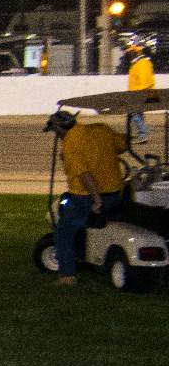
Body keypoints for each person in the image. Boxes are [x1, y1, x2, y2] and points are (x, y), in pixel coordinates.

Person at [45, 111, 127, 285]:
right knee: (68, 205)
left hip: (85, 198)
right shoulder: (101, 130)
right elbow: (122, 145)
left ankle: (67, 275)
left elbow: (84, 175)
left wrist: (96, 200)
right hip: (114, 193)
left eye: (54, 130)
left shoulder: (70, 144)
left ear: (59, 128)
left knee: (63, 230)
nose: (56, 135)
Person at [125, 43, 155, 144]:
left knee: (134, 113)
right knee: (138, 113)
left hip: (141, 92)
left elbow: (144, 81)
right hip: (140, 92)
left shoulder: (141, 63)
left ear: (136, 53)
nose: (129, 55)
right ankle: (143, 133)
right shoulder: (138, 63)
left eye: (131, 53)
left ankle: (143, 134)